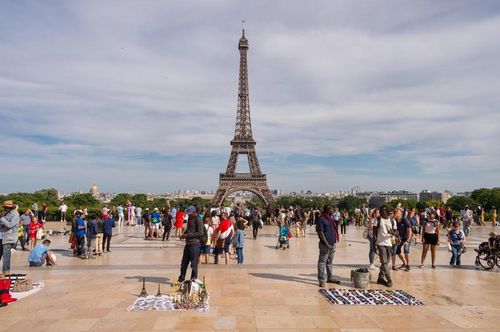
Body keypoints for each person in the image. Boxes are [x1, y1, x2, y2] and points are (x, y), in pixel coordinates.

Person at [316, 205, 340, 288]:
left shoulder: (330, 219)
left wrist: (334, 243)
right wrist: (327, 244)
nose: (332, 210)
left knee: (330, 262)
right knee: (322, 262)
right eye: (331, 209)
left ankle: (330, 277)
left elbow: (334, 231)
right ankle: (321, 280)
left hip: (332, 244)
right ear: (327, 210)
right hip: (325, 245)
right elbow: (320, 232)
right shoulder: (321, 219)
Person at [178, 206, 204, 282]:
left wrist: (187, 235)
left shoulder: (198, 219)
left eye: (190, 214)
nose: (189, 215)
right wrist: (184, 234)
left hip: (195, 244)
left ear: (194, 212)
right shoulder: (190, 218)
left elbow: (200, 233)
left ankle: (193, 279)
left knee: (194, 264)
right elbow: (190, 230)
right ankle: (181, 278)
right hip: (188, 243)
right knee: (184, 263)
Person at [373, 206, 395, 287]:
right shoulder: (377, 220)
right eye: (380, 211)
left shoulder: (392, 220)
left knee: (386, 263)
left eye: (382, 212)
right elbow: (374, 234)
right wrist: (374, 244)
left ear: (387, 212)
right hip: (380, 243)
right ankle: (389, 279)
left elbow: (395, 232)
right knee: (384, 263)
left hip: (389, 244)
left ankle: (380, 278)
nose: (381, 213)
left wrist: (395, 234)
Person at [0, 200, 20, 277]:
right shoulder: (5, 214)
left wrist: (2, 218)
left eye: (7, 207)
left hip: (8, 238)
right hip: (1, 236)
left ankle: (6, 272)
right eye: (5, 207)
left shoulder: (15, 214)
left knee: (6, 256)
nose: (5, 208)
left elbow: (10, 225)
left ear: (11, 207)